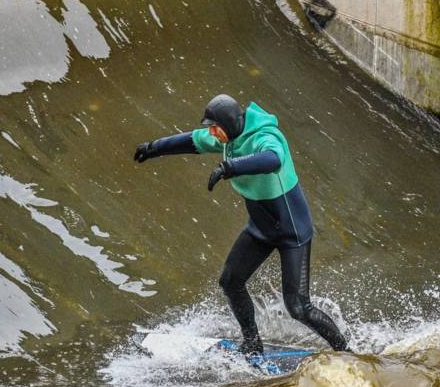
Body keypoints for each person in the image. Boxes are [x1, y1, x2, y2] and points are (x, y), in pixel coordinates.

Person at [134, 94, 350, 355]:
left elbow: (273, 159)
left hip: (292, 231)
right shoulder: (225, 138)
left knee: (298, 307)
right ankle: (252, 344)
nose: (212, 133)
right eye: (210, 128)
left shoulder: (265, 136)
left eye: (216, 127)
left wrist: (230, 168)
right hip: (261, 229)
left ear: (231, 124)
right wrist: (152, 147)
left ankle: (346, 352)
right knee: (230, 282)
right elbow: (191, 140)